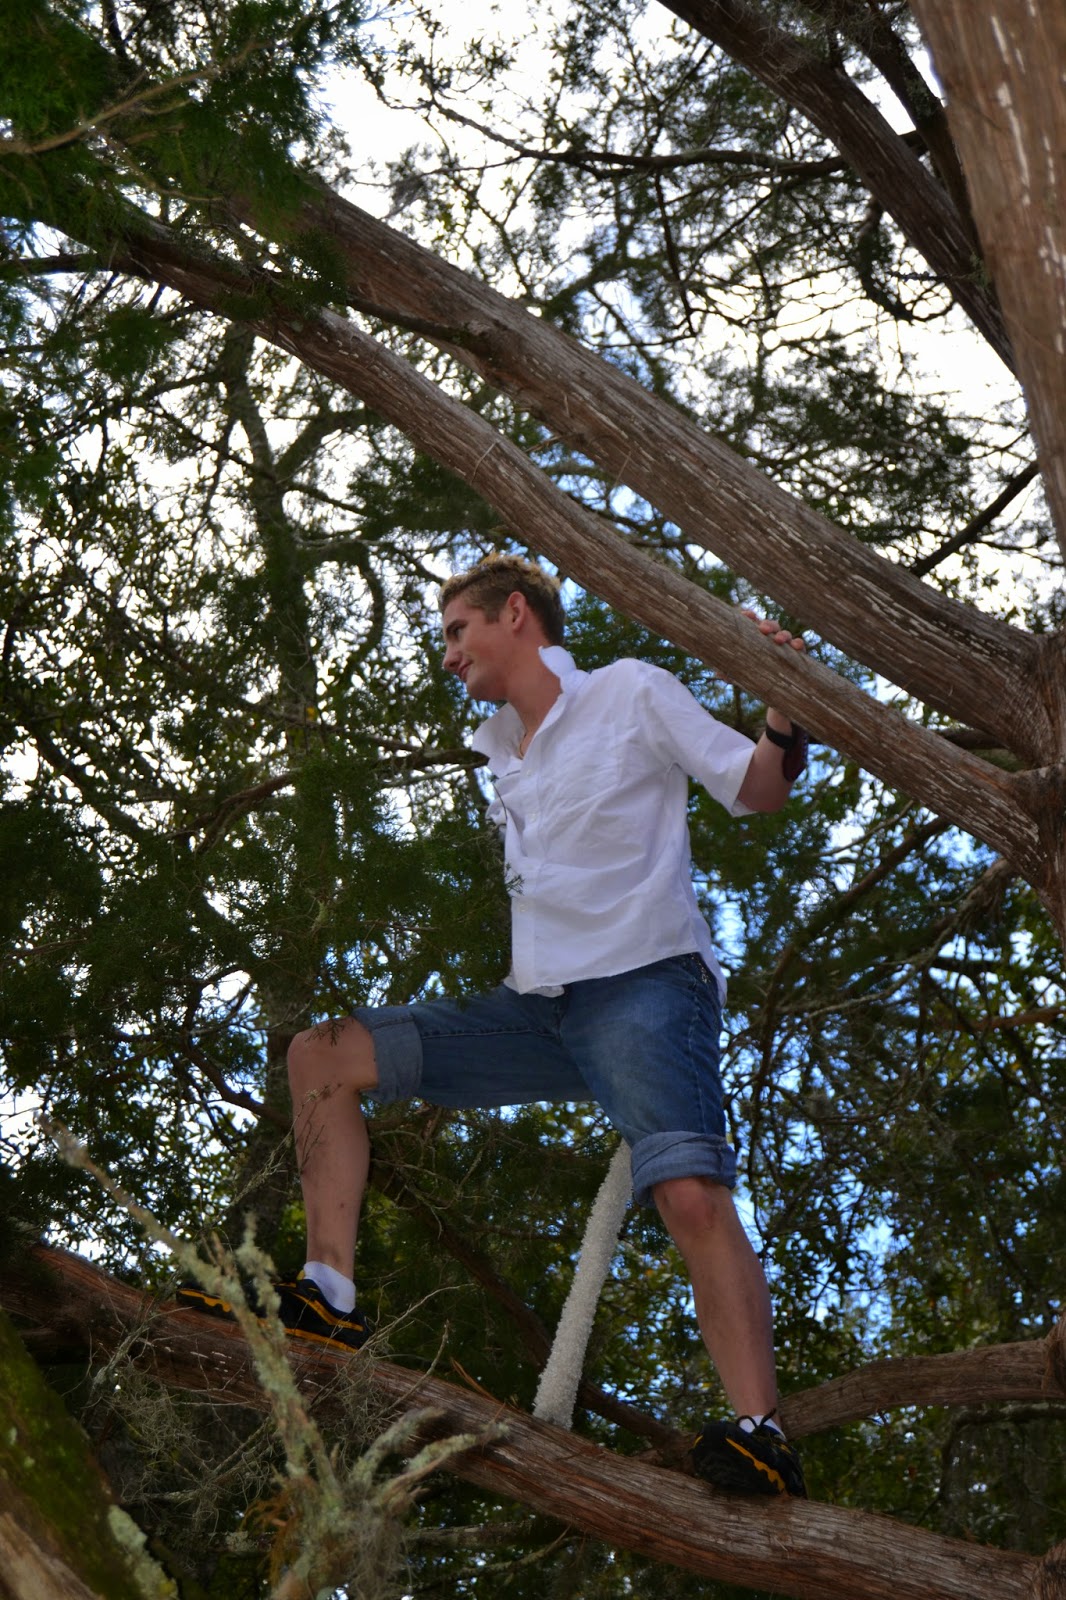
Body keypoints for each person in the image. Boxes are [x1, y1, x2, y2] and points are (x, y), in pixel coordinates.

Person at [180, 554, 810, 1497]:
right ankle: (328, 1298)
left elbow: (758, 787)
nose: (447, 655)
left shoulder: (630, 692)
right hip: (535, 1010)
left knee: (686, 1194)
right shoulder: (501, 750)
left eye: (456, 631)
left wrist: (786, 710)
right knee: (321, 1055)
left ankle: (762, 1435)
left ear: (516, 613)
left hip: (645, 986)